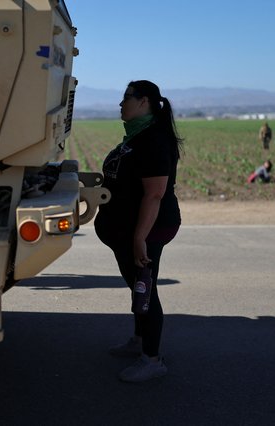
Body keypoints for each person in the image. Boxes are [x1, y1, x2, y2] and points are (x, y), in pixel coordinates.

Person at [94, 80, 182, 382]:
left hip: (149, 229)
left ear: (144, 102)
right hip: (128, 229)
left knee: (145, 289)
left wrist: (139, 237)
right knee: (137, 285)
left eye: (126, 98)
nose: (121, 104)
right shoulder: (137, 136)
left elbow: (154, 194)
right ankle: (139, 340)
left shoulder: (153, 141)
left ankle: (152, 359)